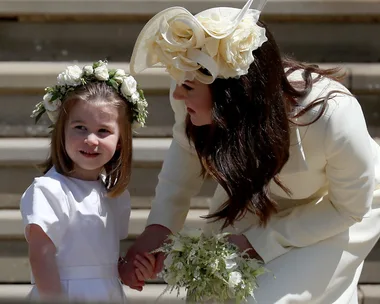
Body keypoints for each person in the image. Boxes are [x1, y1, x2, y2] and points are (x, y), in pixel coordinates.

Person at [119, 0, 380, 302]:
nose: (177, 94)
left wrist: (260, 242)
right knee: (211, 293)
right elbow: (185, 158)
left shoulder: (332, 116)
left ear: (232, 93)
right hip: (257, 195)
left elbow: (349, 208)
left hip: (336, 210)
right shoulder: (189, 92)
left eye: (188, 87)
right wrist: (158, 230)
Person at [20, 60, 154, 303]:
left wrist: (124, 270)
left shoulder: (113, 194)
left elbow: (103, 260)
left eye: (103, 131)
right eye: (80, 127)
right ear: (62, 132)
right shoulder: (49, 190)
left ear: (121, 140)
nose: (91, 140)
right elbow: (41, 256)